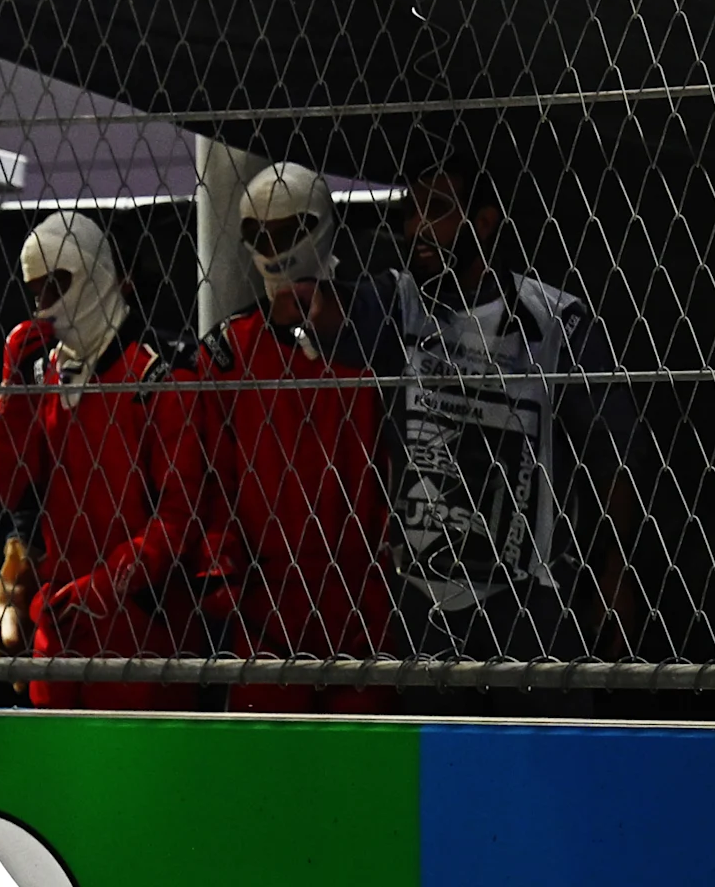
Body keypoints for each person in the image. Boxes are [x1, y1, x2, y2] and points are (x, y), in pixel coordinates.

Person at [341, 156, 639, 666]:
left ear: (483, 221)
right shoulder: (400, 302)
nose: (416, 228)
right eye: (411, 211)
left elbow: (615, 454)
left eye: (435, 209)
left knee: (540, 737)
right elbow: (337, 324)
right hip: (422, 593)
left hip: (530, 598)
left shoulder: (556, 321)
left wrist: (617, 571)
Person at [186, 164, 395, 711]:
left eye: (288, 231)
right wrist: (222, 570)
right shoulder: (229, 354)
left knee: (361, 778)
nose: (274, 250)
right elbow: (213, 478)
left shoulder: (375, 341)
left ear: (319, 225)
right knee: (264, 780)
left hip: (365, 606)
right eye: (261, 235)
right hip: (265, 614)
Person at [0, 212, 200, 710]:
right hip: (59, 620)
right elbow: (9, 487)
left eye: (56, 285)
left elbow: (180, 515)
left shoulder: (159, 374)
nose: (45, 306)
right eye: (35, 292)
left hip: (143, 621)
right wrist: (13, 389)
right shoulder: (44, 373)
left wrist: (102, 588)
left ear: (95, 271)